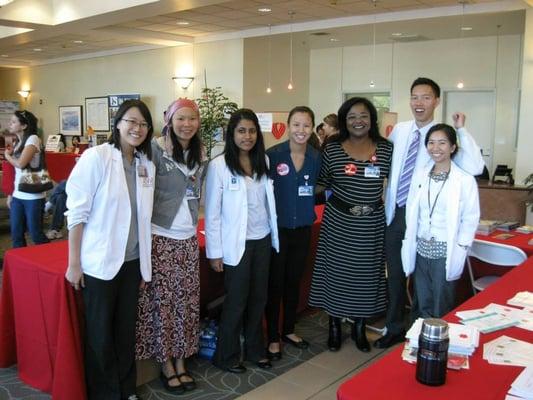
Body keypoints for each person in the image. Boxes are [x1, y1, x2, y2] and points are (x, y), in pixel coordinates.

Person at [376, 77, 485, 349]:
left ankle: (424, 332)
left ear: (436, 101)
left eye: (426, 97)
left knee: (426, 280)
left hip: (424, 219)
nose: (419, 103)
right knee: (397, 275)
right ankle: (394, 326)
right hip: (396, 212)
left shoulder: (447, 135)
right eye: (415, 97)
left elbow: (473, 166)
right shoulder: (400, 130)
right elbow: (384, 162)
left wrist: (461, 130)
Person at [65, 99, 155, 400]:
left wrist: (145, 265)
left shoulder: (145, 165)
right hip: (100, 263)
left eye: (143, 124)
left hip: (131, 263)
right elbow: (76, 213)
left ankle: (125, 389)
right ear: (117, 123)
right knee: (100, 335)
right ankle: (105, 393)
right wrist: (74, 263)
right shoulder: (97, 157)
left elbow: (144, 218)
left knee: (125, 332)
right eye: (131, 121)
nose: (137, 128)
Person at [309, 97, 393, 353]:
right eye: (352, 116)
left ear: (372, 119)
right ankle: (334, 325)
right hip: (339, 222)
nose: (358, 121)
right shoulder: (332, 148)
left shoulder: (386, 148)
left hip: (372, 224)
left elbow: (399, 183)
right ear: (344, 120)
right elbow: (320, 183)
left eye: (364, 116)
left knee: (365, 276)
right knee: (337, 274)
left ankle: (358, 327)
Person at [136, 99, 207, 394]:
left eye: (192, 119)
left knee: (186, 305)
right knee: (163, 306)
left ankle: (182, 360)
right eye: (181, 118)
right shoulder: (153, 149)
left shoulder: (199, 153)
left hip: (188, 238)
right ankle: (166, 364)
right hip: (160, 238)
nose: (186, 124)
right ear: (169, 119)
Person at [205, 108, 279, 373]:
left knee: (259, 299)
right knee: (236, 301)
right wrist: (214, 253)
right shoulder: (219, 166)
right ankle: (226, 356)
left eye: (251, 130)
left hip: (262, 240)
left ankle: (255, 351)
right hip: (236, 244)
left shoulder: (264, 162)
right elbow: (212, 213)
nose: (247, 136)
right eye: (241, 131)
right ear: (231, 134)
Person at [401, 124, 480, 317]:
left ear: (453, 147)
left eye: (442, 143)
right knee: (421, 300)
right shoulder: (421, 175)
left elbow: (471, 217)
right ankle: (419, 341)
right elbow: (412, 208)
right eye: (431, 143)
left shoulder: (464, 180)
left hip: (446, 249)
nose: (435, 148)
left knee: (441, 301)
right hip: (421, 248)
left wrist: (461, 245)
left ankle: (438, 342)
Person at [265, 106, 322, 360]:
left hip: (302, 229)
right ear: (288, 126)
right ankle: (272, 337)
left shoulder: (315, 156)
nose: (301, 130)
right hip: (277, 229)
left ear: (312, 128)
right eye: (296, 125)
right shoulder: (273, 155)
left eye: (306, 125)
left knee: (293, 281)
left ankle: (288, 329)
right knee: (274, 283)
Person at [4, 110, 49, 248]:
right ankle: (20, 267)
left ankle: (50, 260)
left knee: (36, 234)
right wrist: (11, 194)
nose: (9, 124)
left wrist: (7, 156)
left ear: (24, 126)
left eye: (13, 122)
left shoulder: (33, 139)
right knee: (16, 234)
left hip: (33, 195)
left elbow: (21, 164)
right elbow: (16, 173)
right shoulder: (17, 141)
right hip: (18, 194)